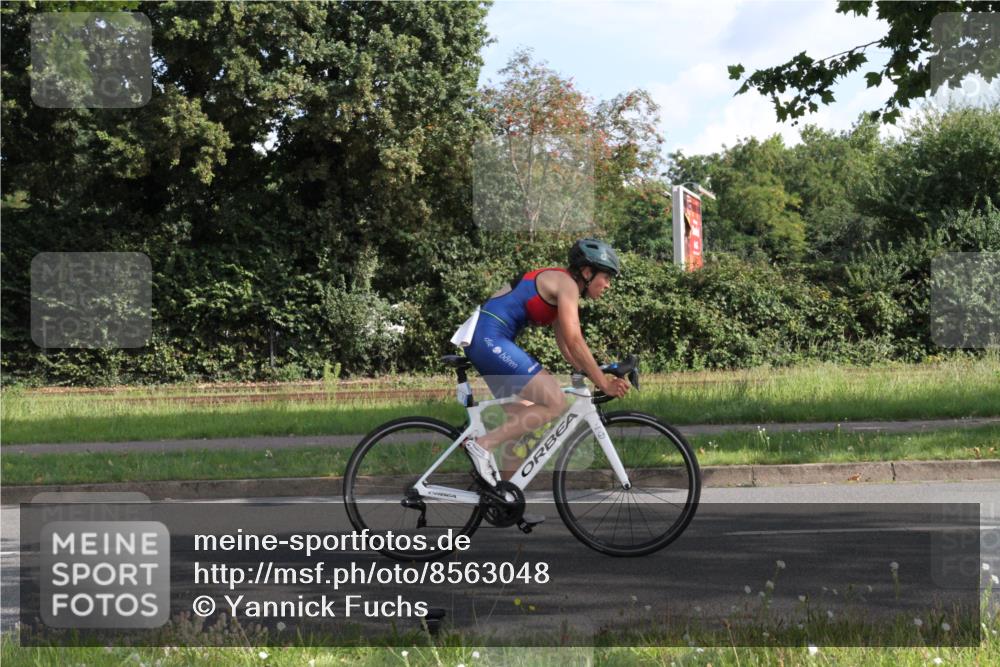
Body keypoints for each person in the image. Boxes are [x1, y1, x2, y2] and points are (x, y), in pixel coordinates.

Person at [457, 238, 631, 495]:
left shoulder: (562, 286)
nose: (608, 285)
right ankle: (481, 445)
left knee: (521, 422)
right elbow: (575, 339)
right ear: (587, 272)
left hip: (485, 339)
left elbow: (567, 346)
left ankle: (502, 497)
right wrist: (603, 383)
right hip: (489, 338)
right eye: (606, 277)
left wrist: (590, 372)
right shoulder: (567, 284)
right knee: (555, 402)